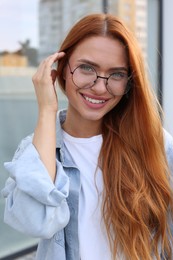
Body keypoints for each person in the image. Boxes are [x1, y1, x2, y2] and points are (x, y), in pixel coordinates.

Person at [1, 13, 173, 260]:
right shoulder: (37, 150)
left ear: (128, 83)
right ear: (61, 69)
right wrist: (47, 110)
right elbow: (35, 222)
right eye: (86, 68)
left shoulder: (153, 143)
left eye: (116, 74)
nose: (100, 87)